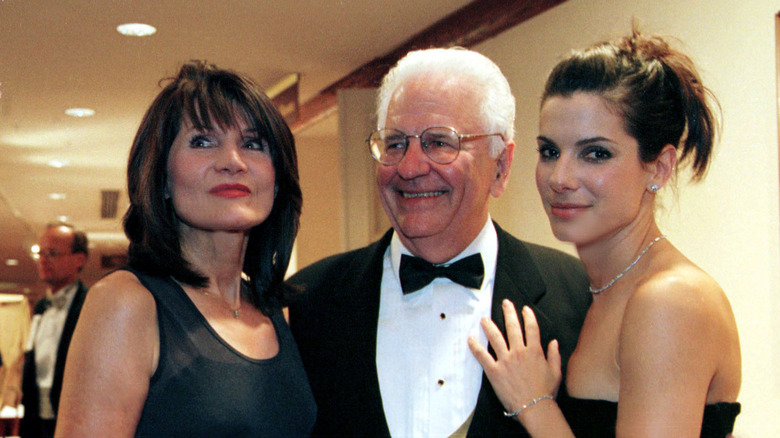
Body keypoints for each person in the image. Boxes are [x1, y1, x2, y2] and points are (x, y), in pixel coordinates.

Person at [287, 47, 590, 437]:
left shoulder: (579, 297)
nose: (410, 167)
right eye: (395, 143)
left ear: (501, 167)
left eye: (440, 143)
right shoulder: (310, 302)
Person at [469, 30, 742, 437]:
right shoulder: (599, 292)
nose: (560, 178)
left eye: (595, 153)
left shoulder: (670, 301)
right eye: (549, 152)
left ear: (659, 167)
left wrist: (535, 404)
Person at [55, 61, 315, 437]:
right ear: (161, 177)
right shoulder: (125, 303)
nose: (232, 162)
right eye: (203, 141)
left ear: (276, 183)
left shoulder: (274, 312)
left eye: (253, 144)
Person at [19, 223, 89, 438]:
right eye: (41, 253)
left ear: (79, 259)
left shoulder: (90, 306)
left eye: (52, 253)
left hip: (74, 418)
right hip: (35, 418)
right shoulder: (40, 307)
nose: (43, 259)